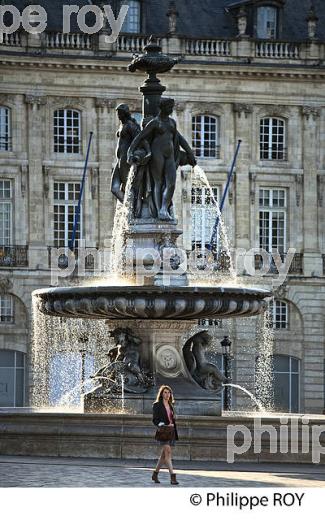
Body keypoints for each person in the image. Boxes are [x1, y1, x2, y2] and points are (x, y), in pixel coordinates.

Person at [128, 97, 196, 221]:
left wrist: (189, 153)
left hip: (169, 155)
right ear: (162, 108)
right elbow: (140, 137)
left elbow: (179, 139)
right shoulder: (155, 122)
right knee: (158, 183)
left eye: (171, 108)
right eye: (169, 108)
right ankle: (160, 211)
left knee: (171, 183)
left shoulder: (172, 123)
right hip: (157, 154)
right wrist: (130, 152)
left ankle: (164, 208)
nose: (171, 110)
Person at [111, 104, 140, 203]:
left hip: (126, 161)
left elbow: (138, 140)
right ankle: (128, 207)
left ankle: (132, 208)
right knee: (114, 188)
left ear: (125, 113)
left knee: (128, 187)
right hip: (119, 160)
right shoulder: (122, 125)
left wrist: (133, 154)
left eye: (120, 113)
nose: (118, 115)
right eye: (118, 113)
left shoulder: (130, 125)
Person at [152, 385, 179, 485]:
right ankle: (173, 476)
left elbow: (172, 419)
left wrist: (172, 426)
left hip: (171, 431)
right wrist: (163, 424)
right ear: (161, 394)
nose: (167, 394)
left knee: (163, 456)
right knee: (168, 452)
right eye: (165, 392)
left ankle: (155, 474)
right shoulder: (157, 405)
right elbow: (155, 420)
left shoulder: (171, 405)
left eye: (169, 392)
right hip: (163, 432)